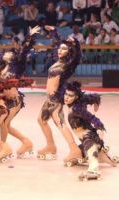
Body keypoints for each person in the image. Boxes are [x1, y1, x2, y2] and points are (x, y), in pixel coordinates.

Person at [0, 26, 40, 158]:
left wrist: (30, 36)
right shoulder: (4, 66)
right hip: (5, 100)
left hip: (15, 101)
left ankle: (4, 147)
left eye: (8, 52)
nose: (5, 53)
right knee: (6, 125)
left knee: (3, 123)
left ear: (13, 57)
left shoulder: (17, 66)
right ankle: (26, 142)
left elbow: (24, 51)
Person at [37, 25, 82, 165]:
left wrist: (76, 44)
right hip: (49, 99)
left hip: (56, 99)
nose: (59, 50)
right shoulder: (59, 61)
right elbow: (58, 43)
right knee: (41, 120)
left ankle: (74, 149)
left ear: (69, 52)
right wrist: (54, 31)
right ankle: (51, 146)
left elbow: (77, 55)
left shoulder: (68, 64)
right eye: (59, 48)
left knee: (60, 123)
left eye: (63, 49)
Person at [63, 81, 119, 180]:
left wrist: (100, 128)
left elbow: (93, 119)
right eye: (66, 94)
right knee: (72, 156)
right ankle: (107, 158)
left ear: (76, 97)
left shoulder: (77, 109)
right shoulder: (80, 100)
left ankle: (93, 170)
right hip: (84, 142)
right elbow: (93, 96)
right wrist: (96, 101)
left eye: (70, 95)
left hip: (90, 139)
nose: (66, 97)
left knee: (91, 154)